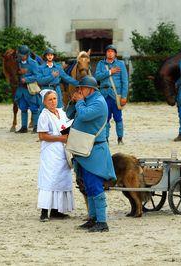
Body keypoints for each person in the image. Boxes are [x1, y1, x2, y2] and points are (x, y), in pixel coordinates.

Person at [66, 76, 116, 233]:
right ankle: (93, 218)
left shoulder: (99, 102)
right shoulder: (87, 99)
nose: (79, 90)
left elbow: (85, 115)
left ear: (91, 89)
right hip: (85, 148)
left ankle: (102, 222)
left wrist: (80, 102)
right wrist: (74, 102)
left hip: (95, 150)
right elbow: (69, 115)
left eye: (82, 88)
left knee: (95, 185)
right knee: (87, 185)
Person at [37, 89, 74, 222]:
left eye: (54, 98)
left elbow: (66, 126)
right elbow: (42, 136)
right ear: (45, 102)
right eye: (50, 100)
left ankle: (57, 210)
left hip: (63, 150)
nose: (53, 102)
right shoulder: (44, 115)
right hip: (50, 151)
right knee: (50, 179)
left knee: (62, 177)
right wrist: (60, 138)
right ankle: (44, 211)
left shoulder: (62, 112)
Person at [94, 44, 128, 144]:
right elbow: (97, 77)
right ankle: (106, 138)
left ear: (115, 54)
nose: (110, 53)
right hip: (104, 95)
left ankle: (120, 138)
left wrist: (124, 96)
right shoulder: (101, 64)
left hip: (116, 95)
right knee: (105, 118)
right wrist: (109, 72)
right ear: (106, 53)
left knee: (118, 118)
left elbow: (125, 81)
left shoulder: (120, 64)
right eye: (108, 51)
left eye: (112, 51)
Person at [15, 45, 41, 133]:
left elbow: (37, 76)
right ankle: (23, 127)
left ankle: (36, 126)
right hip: (21, 90)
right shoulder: (17, 63)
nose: (21, 57)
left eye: (22, 56)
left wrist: (26, 79)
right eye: (20, 56)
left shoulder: (33, 63)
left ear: (27, 55)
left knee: (34, 108)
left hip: (30, 89)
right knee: (23, 108)